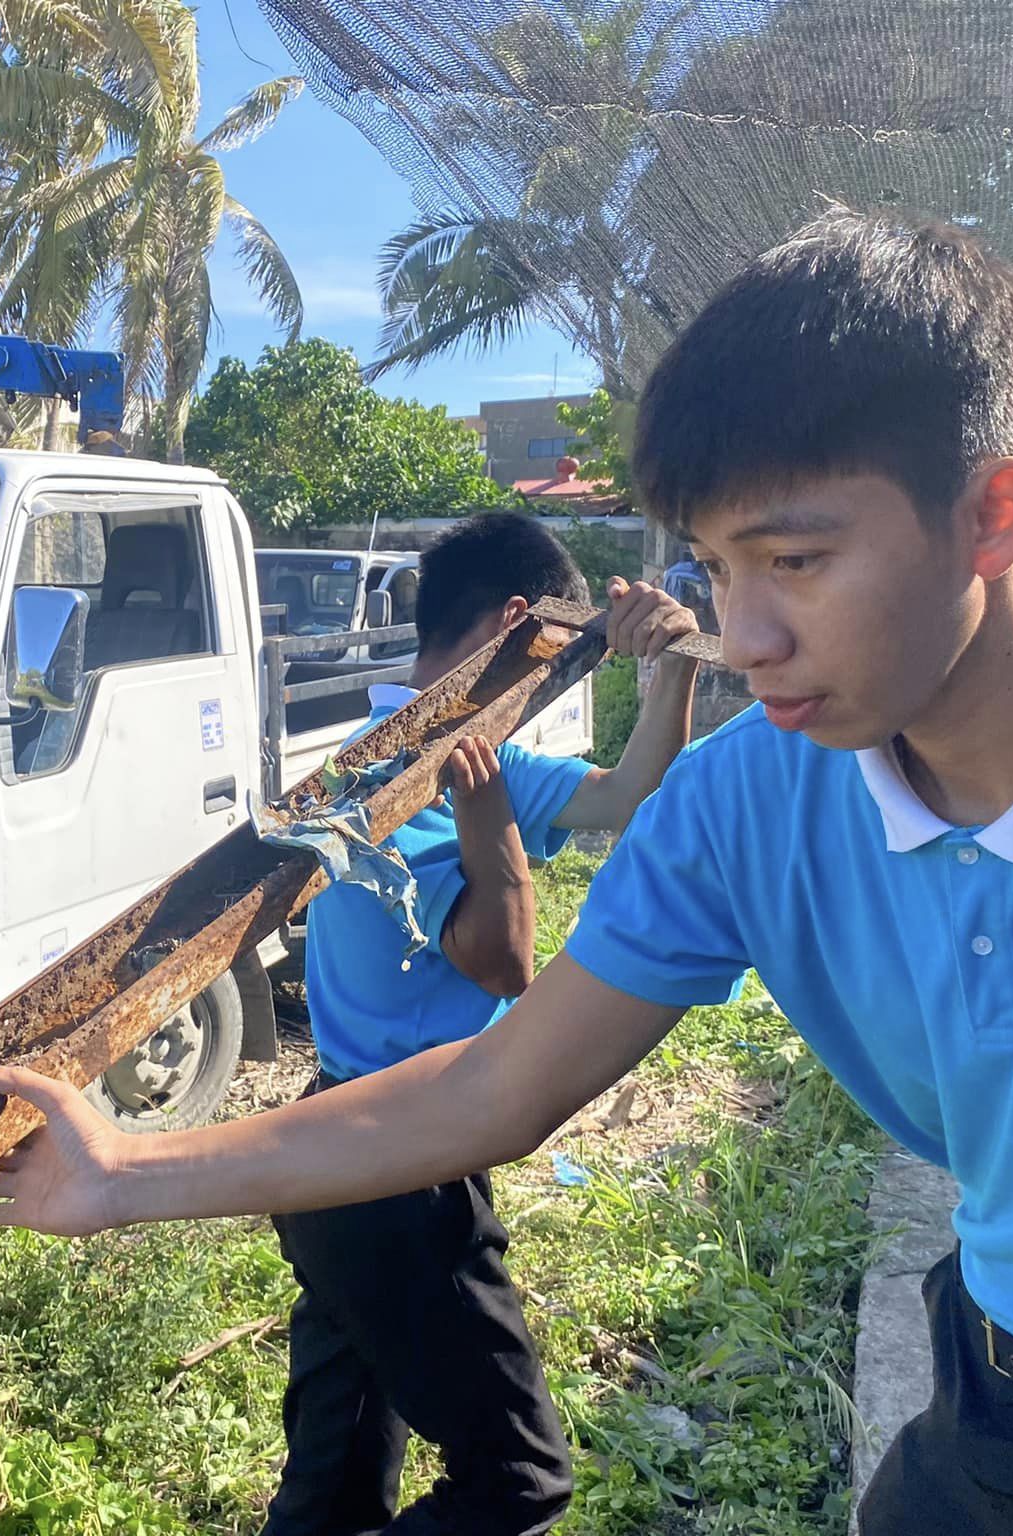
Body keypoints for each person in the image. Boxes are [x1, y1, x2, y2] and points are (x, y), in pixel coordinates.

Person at [0, 211, 1013, 1534]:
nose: (744, 633)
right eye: (712, 568)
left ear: (995, 513)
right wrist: (127, 1164)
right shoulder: (748, 801)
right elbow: (495, 1083)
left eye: (797, 561)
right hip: (987, 1408)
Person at [271, 512, 701, 1536]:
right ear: (519, 625)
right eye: (556, 653)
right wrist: (489, 825)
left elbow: (632, 794)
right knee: (518, 1480)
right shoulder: (389, 791)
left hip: (323, 1156)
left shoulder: (443, 763)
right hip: (399, 1166)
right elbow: (502, 959)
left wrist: (673, 664)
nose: (553, 678)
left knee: (336, 1470)